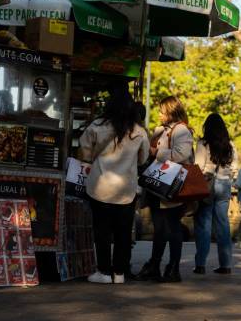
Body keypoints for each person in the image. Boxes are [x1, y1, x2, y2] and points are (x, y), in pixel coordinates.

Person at [80, 89, 150, 284]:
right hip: (126, 190)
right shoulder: (139, 132)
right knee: (123, 233)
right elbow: (143, 159)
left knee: (102, 231)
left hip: (100, 186)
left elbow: (84, 152)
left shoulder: (96, 126)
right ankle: (119, 273)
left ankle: (103, 272)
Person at [136, 96, 194, 283]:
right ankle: (155, 265)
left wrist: (156, 153)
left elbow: (181, 154)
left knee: (173, 226)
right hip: (157, 186)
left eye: (162, 111)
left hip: (171, 187)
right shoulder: (161, 130)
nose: (159, 114)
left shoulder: (181, 130)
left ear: (171, 111)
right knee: (160, 228)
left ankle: (173, 268)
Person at [193, 113, 238, 275]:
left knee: (203, 225)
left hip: (207, 185)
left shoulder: (203, 144)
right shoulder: (230, 145)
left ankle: (200, 265)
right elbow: (234, 169)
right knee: (223, 225)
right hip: (225, 185)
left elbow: (198, 167)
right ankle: (225, 265)